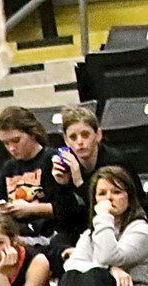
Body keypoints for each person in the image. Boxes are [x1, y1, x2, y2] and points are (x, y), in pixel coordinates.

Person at [47, 165, 148, 286]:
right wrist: (112, 269)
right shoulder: (90, 233)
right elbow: (72, 265)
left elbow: (108, 255)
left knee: (96, 275)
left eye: (116, 192)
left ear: (129, 197)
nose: (108, 198)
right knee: (72, 276)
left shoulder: (141, 229)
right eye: (102, 193)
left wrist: (103, 217)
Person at [50, 105, 143, 249]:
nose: (80, 142)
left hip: (120, 225)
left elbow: (107, 208)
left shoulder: (115, 162)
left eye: (85, 135)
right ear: (66, 141)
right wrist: (62, 185)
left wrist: (79, 182)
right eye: (73, 137)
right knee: (57, 244)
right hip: (84, 228)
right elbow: (64, 220)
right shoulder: (65, 164)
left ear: (98, 135)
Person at [0, 106, 62, 243]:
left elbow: (68, 208)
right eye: (6, 143)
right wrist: (2, 211)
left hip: (50, 233)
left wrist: (33, 209)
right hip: (17, 233)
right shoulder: (9, 167)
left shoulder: (52, 159)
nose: (11, 148)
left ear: (32, 134)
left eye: (16, 141)